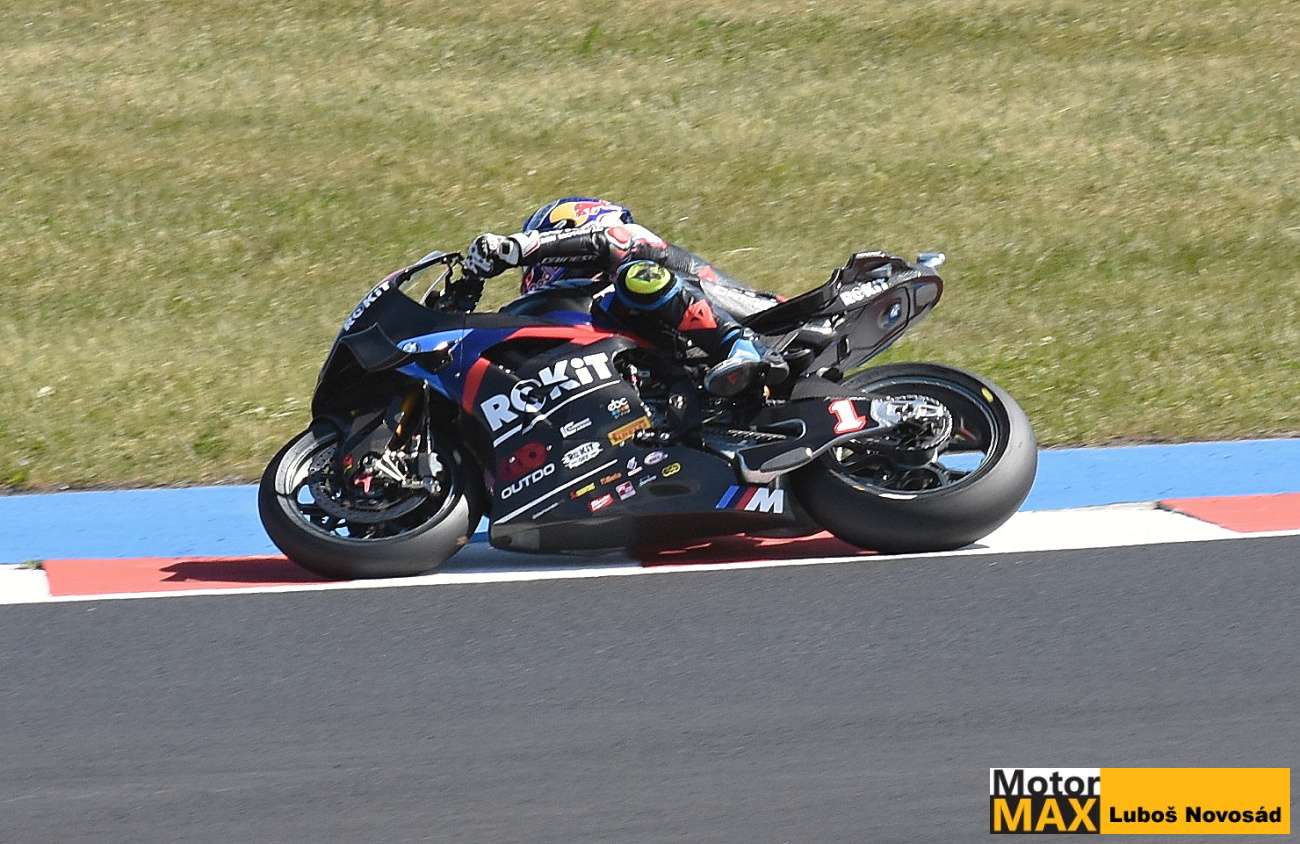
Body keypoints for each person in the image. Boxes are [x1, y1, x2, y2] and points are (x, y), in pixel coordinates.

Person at [456, 197, 788, 397]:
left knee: (636, 278)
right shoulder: (606, 310)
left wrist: (516, 248)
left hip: (768, 322)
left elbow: (612, 242)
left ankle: (740, 346)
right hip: (698, 368)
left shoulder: (629, 243)